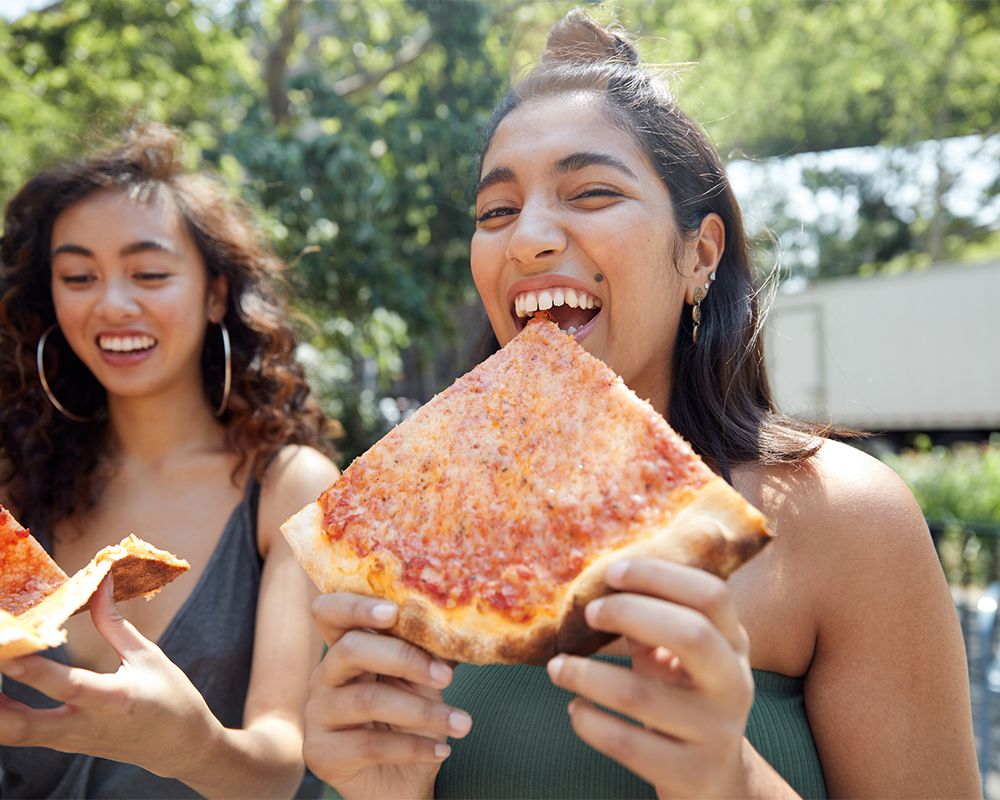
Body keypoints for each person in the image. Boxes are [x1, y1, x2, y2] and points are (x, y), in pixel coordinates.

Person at [299, 10, 981, 800]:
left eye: (590, 191)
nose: (528, 238)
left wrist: (732, 780)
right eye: (496, 211)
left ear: (699, 254)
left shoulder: (846, 519)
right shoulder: (406, 530)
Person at [0, 123, 340, 798]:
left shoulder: (287, 485)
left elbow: (280, 766)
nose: (113, 304)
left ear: (216, 293)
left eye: (149, 273)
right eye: (78, 276)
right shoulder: (15, 484)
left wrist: (193, 747)